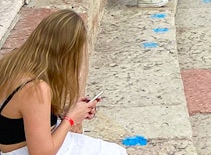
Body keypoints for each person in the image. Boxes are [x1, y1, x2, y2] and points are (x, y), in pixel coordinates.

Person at [0, 9, 128, 155]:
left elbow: (20, 119)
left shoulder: (12, 62)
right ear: (67, 53)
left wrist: (70, 110)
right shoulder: (36, 88)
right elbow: (41, 153)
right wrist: (71, 119)